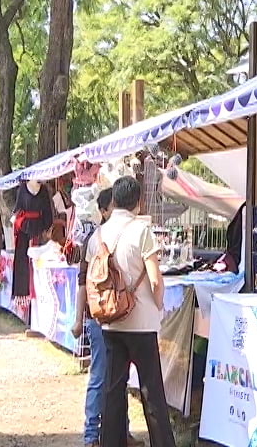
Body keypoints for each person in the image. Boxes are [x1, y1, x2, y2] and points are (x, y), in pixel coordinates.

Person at [87, 176, 174, 447]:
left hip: (111, 323)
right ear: (138, 201)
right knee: (152, 394)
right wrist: (157, 304)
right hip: (142, 323)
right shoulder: (140, 231)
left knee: (113, 392)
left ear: (114, 200)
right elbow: (156, 279)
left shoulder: (98, 235)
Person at [72, 188, 137, 447]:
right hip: (100, 317)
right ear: (103, 211)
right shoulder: (95, 238)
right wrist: (79, 319)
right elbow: (82, 282)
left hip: (117, 315)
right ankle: (91, 434)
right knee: (101, 375)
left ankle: (120, 431)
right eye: (111, 207)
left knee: (119, 376)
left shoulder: (117, 235)